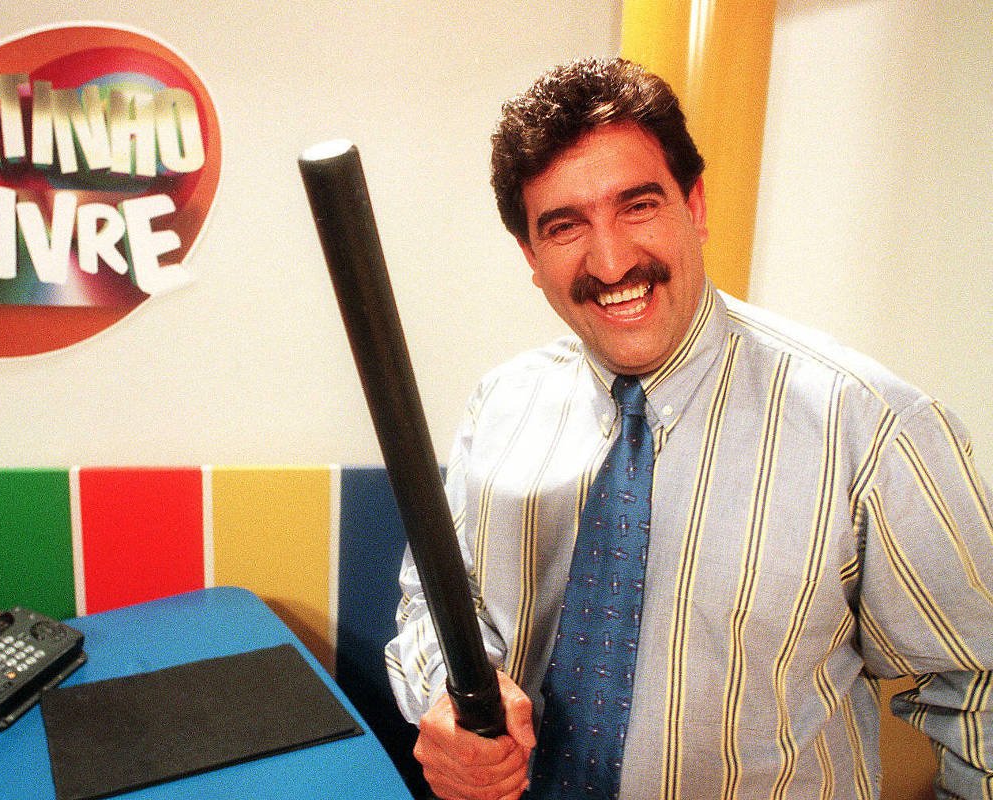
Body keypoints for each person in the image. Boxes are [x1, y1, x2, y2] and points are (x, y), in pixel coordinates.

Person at [385, 56, 993, 800]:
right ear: (531, 256)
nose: (612, 261)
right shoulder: (500, 405)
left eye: (638, 206)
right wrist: (450, 698)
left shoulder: (871, 429)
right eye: (565, 226)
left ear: (695, 206)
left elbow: (982, 688)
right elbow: (434, 600)